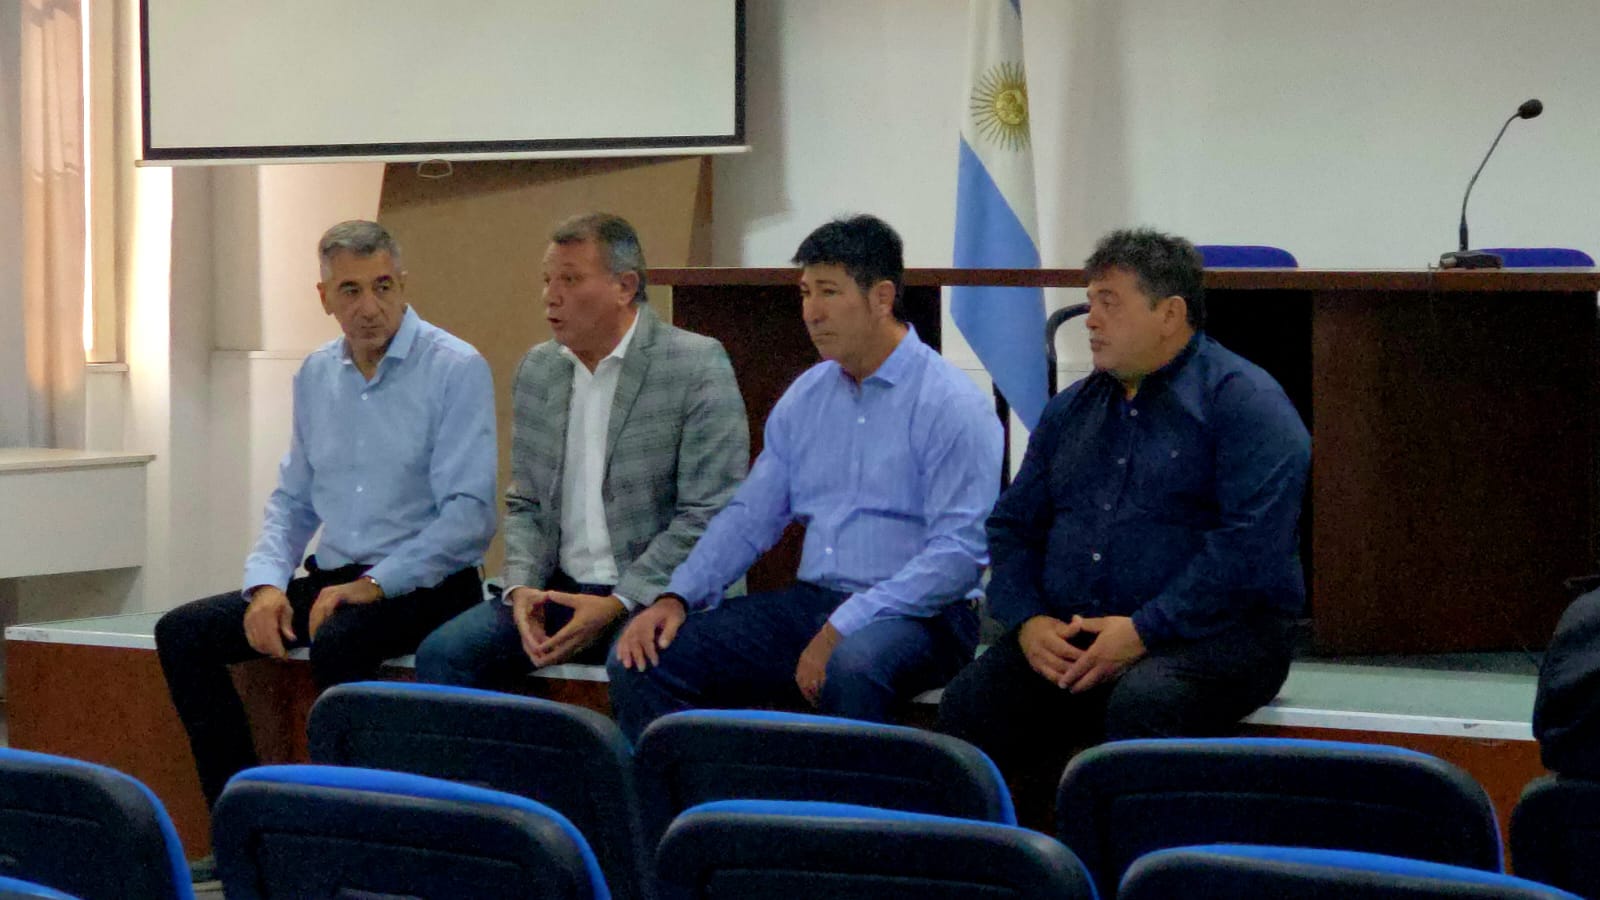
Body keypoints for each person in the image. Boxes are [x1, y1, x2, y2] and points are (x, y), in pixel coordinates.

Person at [154, 220, 497, 879]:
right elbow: (293, 501)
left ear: (404, 285)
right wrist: (266, 585)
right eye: (351, 290)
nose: (370, 306)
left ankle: (351, 849)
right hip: (336, 578)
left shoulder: (455, 367)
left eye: (383, 286)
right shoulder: (316, 373)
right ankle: (245, 837)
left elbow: (469, 518)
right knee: (184, 634)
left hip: (429, 581)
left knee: (340, 640)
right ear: (324, 298)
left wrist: (376, 584)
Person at [938, 228, 1310, 817]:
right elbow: (1012, 527)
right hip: (1077, 630)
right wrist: (1029, 620)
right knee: (971, 703)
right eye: (1089, 302)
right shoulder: (1071, 410)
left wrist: (1143, 630)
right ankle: (1016, 859)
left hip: (1220, 635)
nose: (1090, 320)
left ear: (1170, 314)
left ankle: (1142, 861)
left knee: (1145, 702)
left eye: (1109, 302)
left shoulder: (1246, 404)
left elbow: (1247, 552)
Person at [606, 214, 1003, 742]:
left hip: (924, 614)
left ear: (882, 297)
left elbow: (957, 558)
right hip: (815, 602)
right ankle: (707, 795)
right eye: (805, 293)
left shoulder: (951, 403)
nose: (812, 312)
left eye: (829, 292)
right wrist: (676, 596)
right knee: (643, 657)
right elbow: (749, 519)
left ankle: (847, 800)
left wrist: (845, 624)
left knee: (853, 665)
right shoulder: (807, 396)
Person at [416, 213, 749, 685]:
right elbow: (526, 503)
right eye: (547, 280)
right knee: (445, 655)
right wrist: (523, 587)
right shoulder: (539, 370)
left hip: (655, 594)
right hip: (559, 590)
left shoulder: (694, 364)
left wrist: (620, 601)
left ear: (625, 286)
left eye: (570, 280)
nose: (550, 296)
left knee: (636, 665)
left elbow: (708, 512)